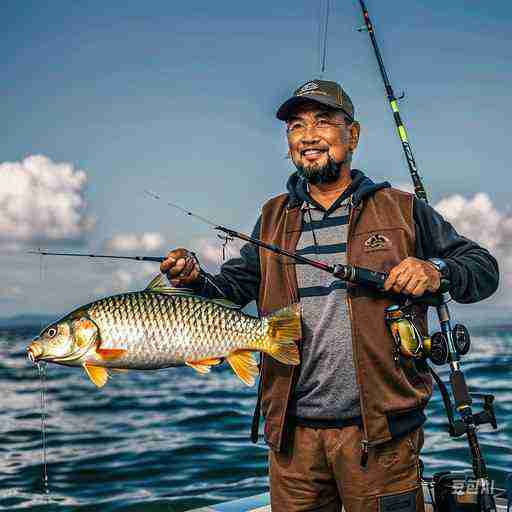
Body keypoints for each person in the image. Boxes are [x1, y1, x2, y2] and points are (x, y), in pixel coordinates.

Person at [160, 79, 499, 512]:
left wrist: (436, 270)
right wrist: (191, 278)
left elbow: (483, 268)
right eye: (296, 126)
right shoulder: (272, 217)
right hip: (292, 442)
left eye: (323, 121)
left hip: (381, 439)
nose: (308, 135)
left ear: (352, 135)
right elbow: (227, 292)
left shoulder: (400, 208)